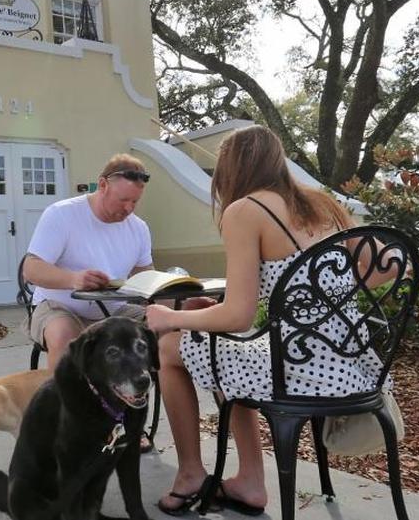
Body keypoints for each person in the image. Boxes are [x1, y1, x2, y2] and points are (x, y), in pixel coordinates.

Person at [145, 125, 397, 517]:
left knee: (169, 347)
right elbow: (392, 264)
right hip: (352, 362)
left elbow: (237, 315)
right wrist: (333, 295)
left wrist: (166, 317)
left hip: (299, 369)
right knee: (222, 353)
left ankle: (193, 474)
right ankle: (248, 481)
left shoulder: (246, 210)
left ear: (231, 169)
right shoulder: (321, 202)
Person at [24, 153, 154, 371]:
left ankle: (130, 397)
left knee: (166, 327)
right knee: (64, 336)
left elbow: (146, 277)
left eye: (135, 201)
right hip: (60, 307)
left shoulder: (138, 228)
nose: (129, 209)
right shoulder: (62, 214)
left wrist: (175, 304)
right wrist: (74, 279)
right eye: (123, 200)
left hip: (114, 311)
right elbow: (31, 269)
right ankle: (64, 403)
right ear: (103, 185)